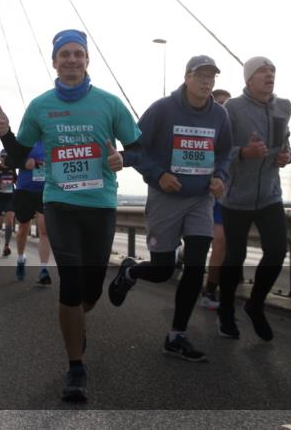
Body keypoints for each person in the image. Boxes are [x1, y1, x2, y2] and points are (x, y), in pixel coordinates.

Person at [0, 29, 139, 403]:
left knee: (89, 293)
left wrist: (124, 159)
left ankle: (80, 321)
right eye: (64, 55)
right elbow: (18, 151)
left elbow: (138, 147)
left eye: (78, 54)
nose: (72, 60)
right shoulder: (40, 106)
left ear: (87, 60)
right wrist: (5, 134)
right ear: (54, 62)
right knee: (71, 283)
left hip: (100, 205)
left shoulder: (109, 104)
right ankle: (76, 367)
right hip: (59, 202)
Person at [107, 56, 231, 362]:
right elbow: (135, 150)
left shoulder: (220, 116)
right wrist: (159, 174)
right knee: (162, 270)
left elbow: (226, 153)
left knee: (194, 265)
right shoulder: (163, 109)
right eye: (200, 76)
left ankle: (177, 336)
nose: (206, 82)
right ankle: (131, 271)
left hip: (201, 199)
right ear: (187, 77)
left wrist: (220, 176)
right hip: (166, 198)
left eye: (211, 77)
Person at [218, 57, 291, 341]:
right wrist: (243, 153)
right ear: (248, 79)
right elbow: (220, 148)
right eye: (262, 71)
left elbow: (284, 141)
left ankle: (255, 304)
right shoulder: (232, 108)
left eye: (272, 70)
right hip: (236, 196)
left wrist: (287, 156)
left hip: (270, 196)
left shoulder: (284, 106)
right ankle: (226, 311)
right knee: (234, 257)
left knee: (276, 251)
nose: (269, 74)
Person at [201, 88, 231, 309]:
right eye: (219, 103)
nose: (223, 108)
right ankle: (209, 291)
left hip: (235, 196)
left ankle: (218, 287)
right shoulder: (205, 126)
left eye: (226, 104)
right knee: (218, 242)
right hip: (209, 195)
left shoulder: (235, 128)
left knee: (227, 246)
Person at [11, 141, 53, 284]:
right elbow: (10, 159)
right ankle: (21, 258)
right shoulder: (26, 138)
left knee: (44, 231)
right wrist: (24, 163)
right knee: (23, 229)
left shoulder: (53, 138)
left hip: (45, 191)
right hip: (25, 191)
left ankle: (43, 269)